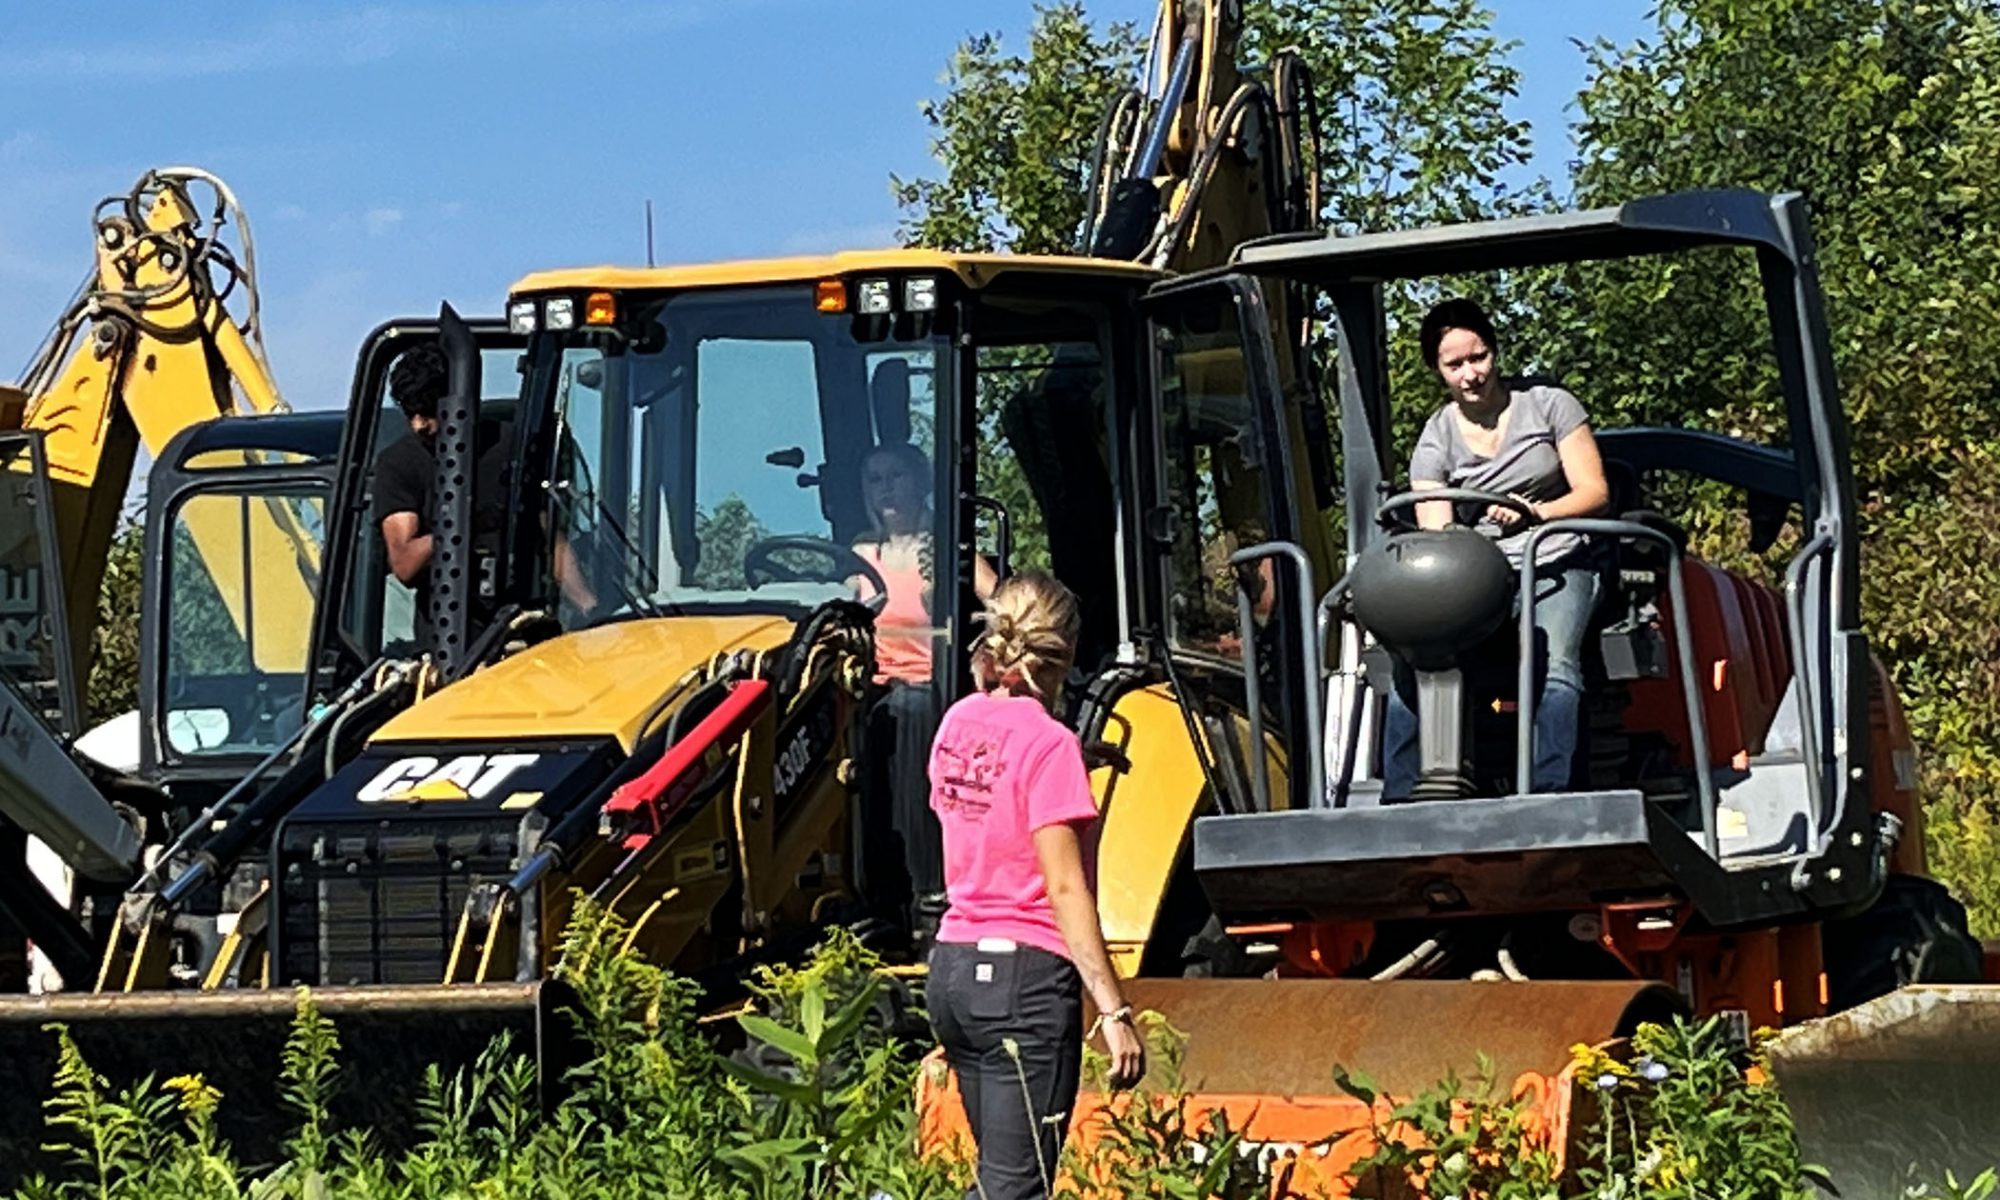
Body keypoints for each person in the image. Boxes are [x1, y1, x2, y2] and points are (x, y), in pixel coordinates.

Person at [925, 570, 1145, 1200]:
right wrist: (1113, 1010)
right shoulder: (1051, 747)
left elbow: (983, 820)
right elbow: (1066, 888)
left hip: (954, 972)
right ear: (1068, 655)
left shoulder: (956, 724)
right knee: (1017, 1191)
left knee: (999, 1179)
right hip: (1023, 983)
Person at [1383, 298, 1610, 796]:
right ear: (1438, 371)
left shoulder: (1550, 405)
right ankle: (1402, 798)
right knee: (1416, 655)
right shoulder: (1436, 436)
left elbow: (1594, 491)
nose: (1471, 373)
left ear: (1495, 351)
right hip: (1476, 573)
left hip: (1557, 556)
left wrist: (1536, 513)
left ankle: (1551, 793)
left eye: (1478, 357)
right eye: (1455, 364)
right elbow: (1436, 525)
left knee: (1556, 663)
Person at [851, 442, 994, 934]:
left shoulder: (946, 548)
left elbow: (1002, 602)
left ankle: (925, 894)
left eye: (895, 476)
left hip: (930, 689)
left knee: (909, 710)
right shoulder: (860, 557)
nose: (885, 488)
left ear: (919, 483)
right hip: (871, 689)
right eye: (875, 479)